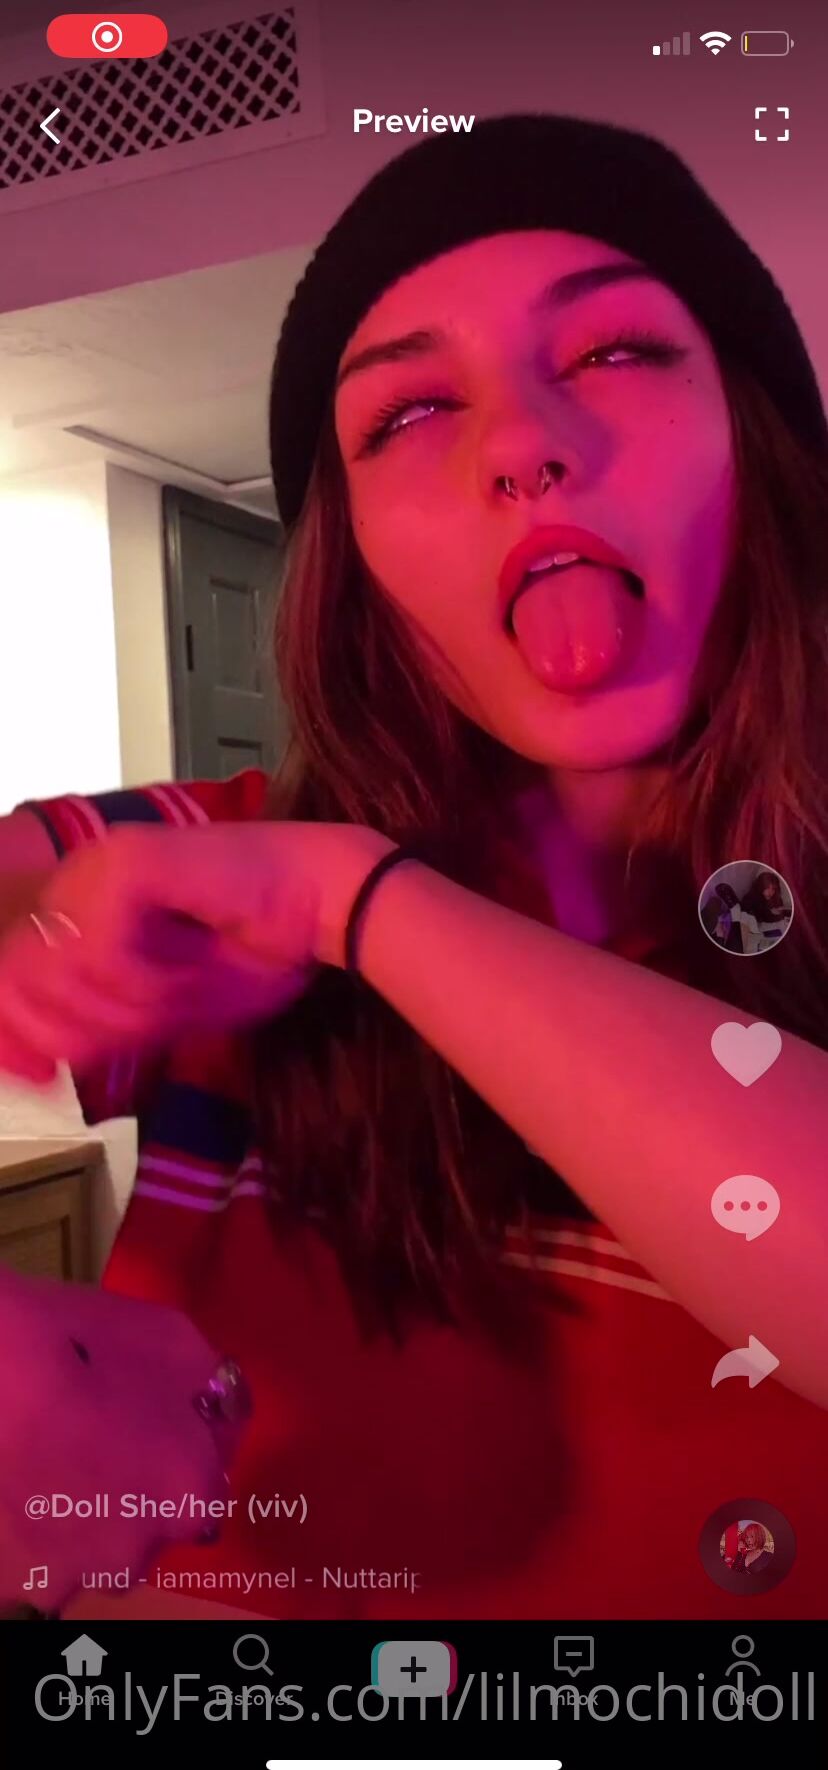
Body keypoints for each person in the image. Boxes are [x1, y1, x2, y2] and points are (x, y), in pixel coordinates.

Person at [1, 114, 828, 1624]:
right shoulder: (206, 853)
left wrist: (356, 905)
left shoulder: (291, 877)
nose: (521, 447)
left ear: (762, 447)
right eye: (408, 413)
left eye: (615, 353)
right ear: (355, 565)